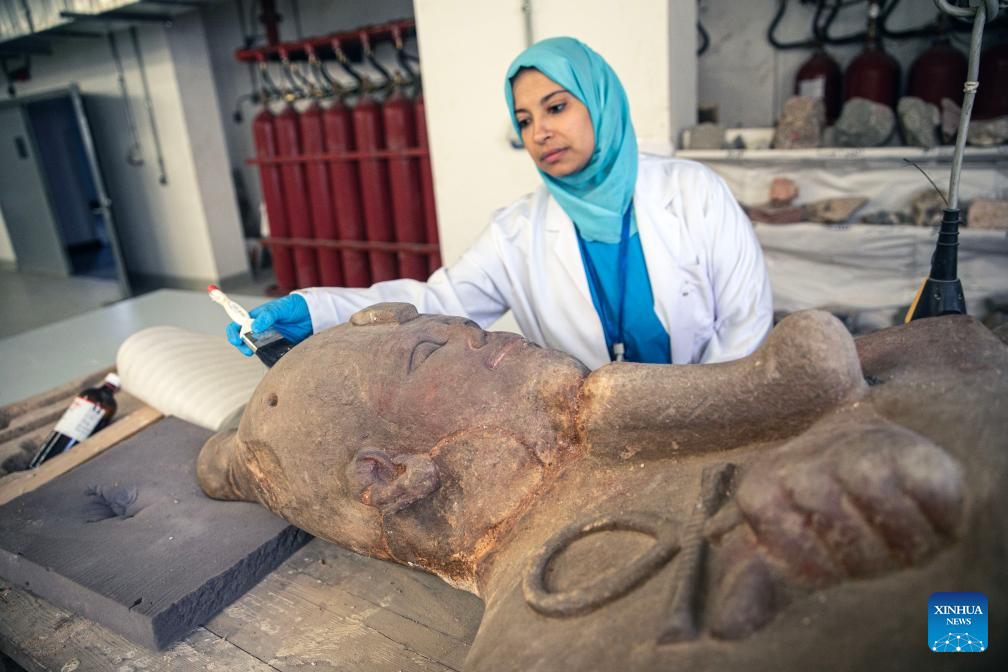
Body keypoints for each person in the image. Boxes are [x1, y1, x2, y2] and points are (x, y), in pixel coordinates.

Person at [227, 37, 773, 369]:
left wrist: (703, 414)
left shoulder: (694, 192)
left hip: (708, 416)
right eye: (525, 120)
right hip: (593, 438)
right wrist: (315, 311)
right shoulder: (517, 231)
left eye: (556, 107)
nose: (540, 133)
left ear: (601, 102)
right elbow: (435, 301)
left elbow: (746, 324)